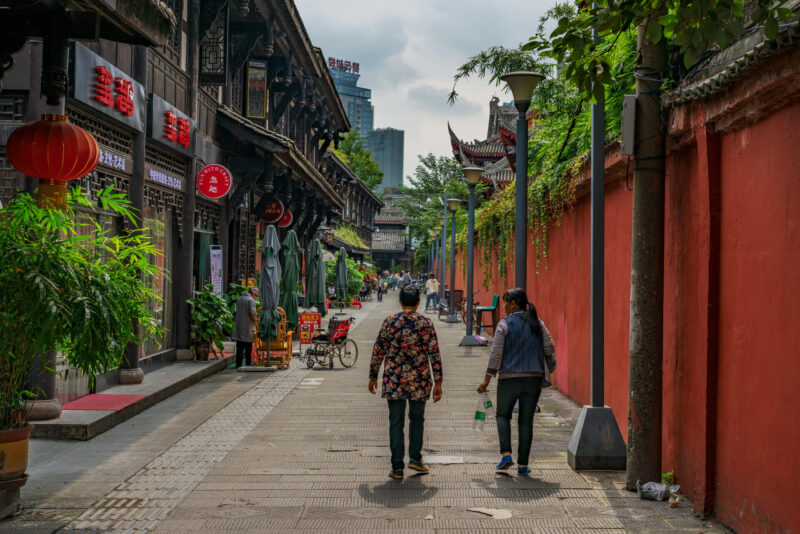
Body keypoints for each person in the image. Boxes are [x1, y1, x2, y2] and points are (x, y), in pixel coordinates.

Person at [476, 288, 556, 475]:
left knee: (503, 415)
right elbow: (550, 347)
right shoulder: (538, 322)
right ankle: (523, 465)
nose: (503, 306)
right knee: (526, 421)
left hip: (509, 379)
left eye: (505, 302)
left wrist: (487, 379)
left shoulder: (504, 325)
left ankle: (506, 454)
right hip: (533, 379)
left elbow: (496, 354)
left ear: (513, 304)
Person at [369, 285, 443, 480]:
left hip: (394, 380)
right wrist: (439, 382)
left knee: (396, 422)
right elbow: (434, 353)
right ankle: (415, 459)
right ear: (418, 302)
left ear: (400, 302)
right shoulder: (426, 323)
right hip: (419, 380)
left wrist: (372, 376)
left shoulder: (390, 321)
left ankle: (397, 468)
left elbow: (378, 350)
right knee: (417, 419)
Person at [232, 286, 260, 368]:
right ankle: (248, 363)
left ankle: (238, 364)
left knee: (240, 346)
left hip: (239, 325)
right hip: (248, 326)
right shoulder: (251, 301)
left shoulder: (240, 298)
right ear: (253, 294)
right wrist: (257, 320)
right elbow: (252, 314)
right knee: (248, 346)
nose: (256, 297)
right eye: (256, 296)